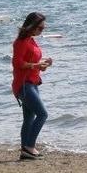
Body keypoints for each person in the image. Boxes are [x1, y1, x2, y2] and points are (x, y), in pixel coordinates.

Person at [12, 12, 53, 160]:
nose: (42, 31)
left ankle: (25, 150)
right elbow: (17, 64)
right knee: (43, 114)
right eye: (40, 28)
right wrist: (36, 64)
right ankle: (30, 146)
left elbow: (31, 63)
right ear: (32, 26)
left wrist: (43, 65)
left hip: (33, 83)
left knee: (29, 118)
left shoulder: (31, 40)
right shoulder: (21, 42)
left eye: (43, 28)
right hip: (23, 85)